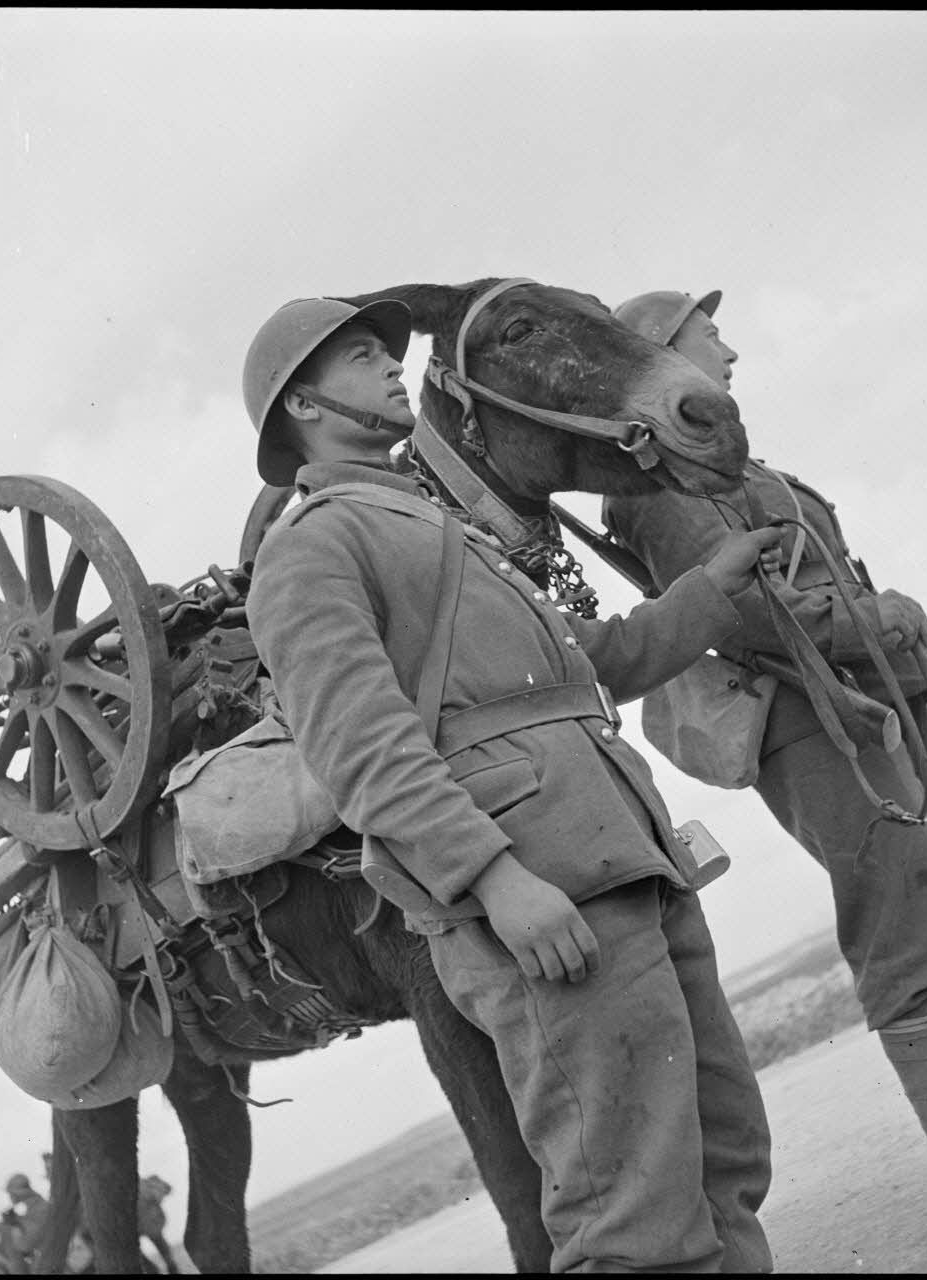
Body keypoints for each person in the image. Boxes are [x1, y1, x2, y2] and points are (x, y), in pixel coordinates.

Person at [242, 294, 785, 1272]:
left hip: (627, 859)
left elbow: (592, 660)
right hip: (542, 896)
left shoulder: (439, 524)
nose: (393, 366)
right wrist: (495, 881)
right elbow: (362, 750)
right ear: (303, 406)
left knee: (725, 1156)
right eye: (363, 357)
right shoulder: (311, 546)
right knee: (630, 1214)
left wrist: (711, 590)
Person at [602, 289, 927, 1246]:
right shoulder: (655, 491)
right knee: (899, 918)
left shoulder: (723, 468)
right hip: (809, 717)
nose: (728, 348)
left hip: (872, 697)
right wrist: (875, 619)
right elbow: (752, 614)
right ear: (661, 359)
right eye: (707, 333)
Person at [4, 1172, 50, 1267]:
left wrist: (16, 1224)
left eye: (11, 1194)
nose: (10, 1197)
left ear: (17, 1193)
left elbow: (28, 1243)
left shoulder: (41, 1208)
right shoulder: (32, 1207)